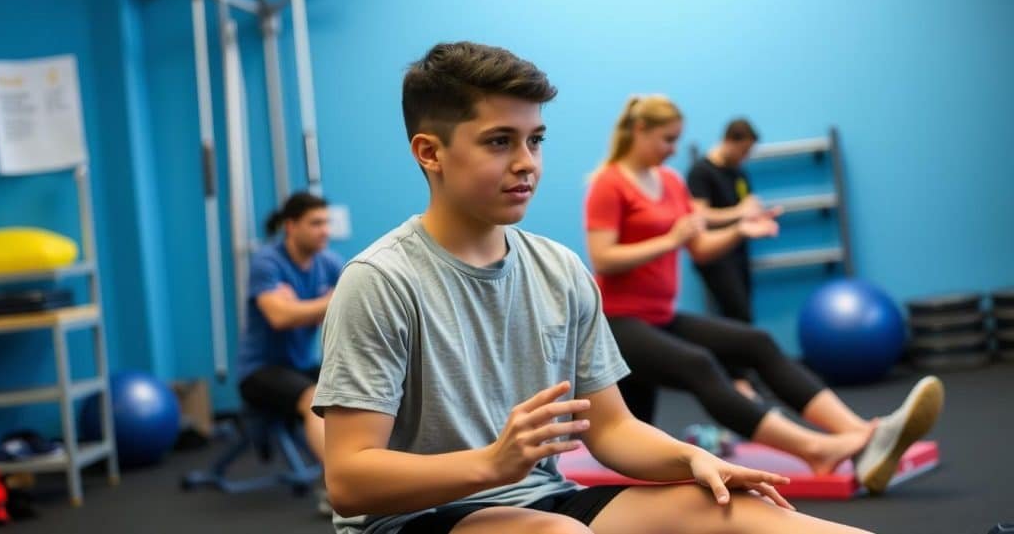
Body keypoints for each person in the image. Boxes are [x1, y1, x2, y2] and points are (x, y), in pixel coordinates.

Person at [312, 42, 871, 534]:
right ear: (430, 152)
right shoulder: (380, 281)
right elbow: (350, 480)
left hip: (544, 500)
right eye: (499, 142)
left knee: (746, 513)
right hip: (414, 519)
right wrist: (491, 464)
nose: (526, 163)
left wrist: (690, 460)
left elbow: (613, 429)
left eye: (535, 140)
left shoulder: (559, 269)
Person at [583, 94, 943, 495]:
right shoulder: (608, 183)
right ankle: (816, 450)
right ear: (639, 130)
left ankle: (863, 433)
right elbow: (604, 258)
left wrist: (739, 230)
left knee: (757, 342)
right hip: (615, 323)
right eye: (667, 139)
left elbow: (699, 248)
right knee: (699, 364)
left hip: (661, 316)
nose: (672, 149)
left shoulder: (670, 181)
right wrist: (669, 240)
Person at [237, 192, 343, 478]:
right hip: (259, 371)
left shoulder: (329, 262)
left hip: (301, 366)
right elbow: (280, 317)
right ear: (291, 226)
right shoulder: (267, 262)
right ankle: (343, 486)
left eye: (327, 223)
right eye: (316, 223)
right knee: (315, 398)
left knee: (361, 388)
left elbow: (351, 309)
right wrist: (329, 301)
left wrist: (300, 307)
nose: (325, 231)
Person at [686, 118, 766, 324]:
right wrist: (739, 212)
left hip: (738, 251)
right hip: (716, 254)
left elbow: (746, 205)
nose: (745, 156)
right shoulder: (701, 172)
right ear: (729, 141)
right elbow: (700, 214)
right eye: (743, 150)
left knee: (744, 315)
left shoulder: (739, 172)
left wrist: (757, 214)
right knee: (738, 315)